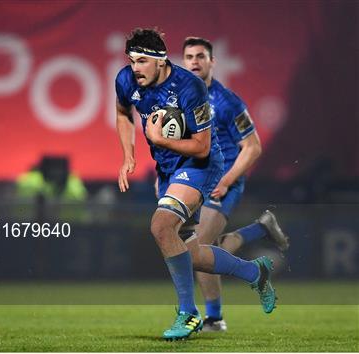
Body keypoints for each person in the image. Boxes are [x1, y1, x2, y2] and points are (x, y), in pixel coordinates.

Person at [115, 28, 276, 340]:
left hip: (201, 165)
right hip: (167, 169)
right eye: (132, 60)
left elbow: (202, 146)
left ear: (161, 62)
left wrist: (159, 139)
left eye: (142, 61)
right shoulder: (126, 80)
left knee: (161, 226)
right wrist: (128, 155)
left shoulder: (190, 88)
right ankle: (255, 272)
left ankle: (189, 313)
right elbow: (123, 113)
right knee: (192, 253)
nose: (135, 68)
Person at [182, 37, 290, 332]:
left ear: (212, 62)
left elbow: (253, 147)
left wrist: (227, 181)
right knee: (208, 250)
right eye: (189, 56)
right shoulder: (180, 99)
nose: (194, 62)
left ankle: (215, 318)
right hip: (196, 182)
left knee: (198, 248)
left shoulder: (227, 102)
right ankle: (260, 228)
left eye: (200, 56)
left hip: (223, 184)